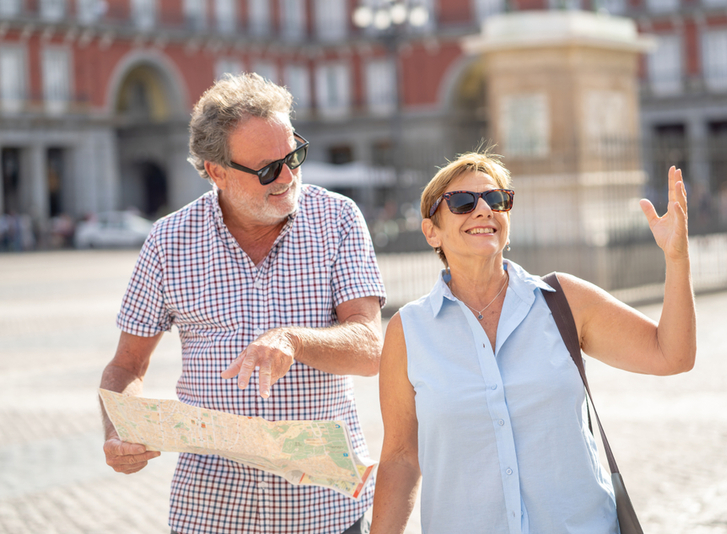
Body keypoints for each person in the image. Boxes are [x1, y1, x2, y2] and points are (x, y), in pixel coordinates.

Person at [99, 73, 385, 534]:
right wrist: (118, 430)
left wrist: (293, 339)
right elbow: (126, 366)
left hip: (325, 513)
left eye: (294, 156)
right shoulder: (169, 240)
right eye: (269, 169)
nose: (289, 177)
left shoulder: (339, 219)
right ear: (217, 171)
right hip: (211, 513)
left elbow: (371, 347)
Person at [371, 152, 696, 534]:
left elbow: (671, 354)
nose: (482, 211)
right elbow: (401, 458)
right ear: (432, 232)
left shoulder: (563, 300)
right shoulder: (409, 330)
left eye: (496, 200)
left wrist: (677, 258)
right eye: (462, 203)